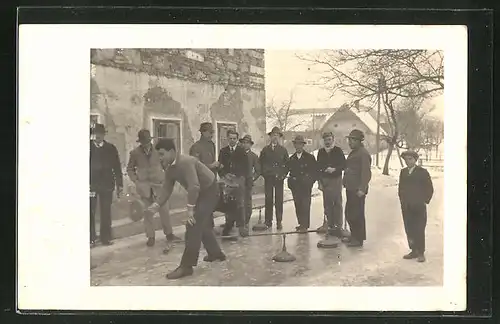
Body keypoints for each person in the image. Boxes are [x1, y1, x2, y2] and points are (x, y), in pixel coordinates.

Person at [148, 138, 226, 280]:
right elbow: (167, 188)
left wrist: (190, 210)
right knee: (202, 224)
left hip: (210, 190)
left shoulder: (185, 162)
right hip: (199, 192)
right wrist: (157, 204)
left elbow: (194, 186)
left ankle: (186, 266)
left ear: (172, 152)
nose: (159, 158)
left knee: (193, 225)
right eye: (158, 155)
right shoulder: (170, 167)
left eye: (161, 154)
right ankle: (215, 253)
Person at [127, 129, 181, 247]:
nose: (145, 144)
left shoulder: (158, 151)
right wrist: (136, 180)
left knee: (164, 211)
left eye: (147, 142)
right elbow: (130, 169)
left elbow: (166, 164)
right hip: (144, 187)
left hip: (159, 186)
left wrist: (166, 177)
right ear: (140, 142)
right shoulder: (135, 153)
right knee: (147, 213)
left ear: (150, 141)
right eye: (143, 142)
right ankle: (150, 237)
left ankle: (169, 234)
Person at [90, 123, 123, 247]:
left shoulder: (111, 148)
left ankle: (106, 238)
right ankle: (91, 238)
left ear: (104, 135)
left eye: (100, 134)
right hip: (91, 185)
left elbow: (117, 166)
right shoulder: (88, 148)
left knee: (106, 211)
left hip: (107, 185)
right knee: (90, 211)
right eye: (95, 134)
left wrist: (120, 184)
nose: (97, 137)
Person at [398, 150, 434, 263]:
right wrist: (402, 200)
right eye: (406, 159)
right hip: (406, 205)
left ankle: (421, 252)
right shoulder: (403, 172)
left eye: (410, 159)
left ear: (415, 160)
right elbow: (401, 188)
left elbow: (429, 188)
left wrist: (424, 200)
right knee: (409, 228)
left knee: (419, 228)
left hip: (418, 205)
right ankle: (413, 250)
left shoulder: (422, 172)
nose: (408, 162)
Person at [218, 129, 250, 238]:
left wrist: (239, 177)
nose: (232, 140)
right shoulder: (223, 151)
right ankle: (229, 227)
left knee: (240, 203)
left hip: (238, 180)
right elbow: (220, 166)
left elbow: (246, 167)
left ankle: (242, 226)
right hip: (227, 181)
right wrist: (225, 175)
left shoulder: (241, 151)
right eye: (230, 138)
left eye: (234, 139)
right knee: (228, 204)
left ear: (237, 139)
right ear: (227, 139)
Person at [342, 129, 372, 247]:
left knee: (357, 214)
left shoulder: (363, 153)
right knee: (350, 213)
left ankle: (358, 239)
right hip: (351, 187)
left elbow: (366, 173)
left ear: (359, 141)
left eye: (352, 140)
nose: (350, 142)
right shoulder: (354, 152)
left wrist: (362, 188)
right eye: (349, 140)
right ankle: (354, 235)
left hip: (357, 190)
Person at [189, 122, 220, 228]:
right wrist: (211, 165)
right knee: (201, 205)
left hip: (211, 179)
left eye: (213, 133)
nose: (212, 135)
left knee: (210, 204)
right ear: (203, 132)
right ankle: (200, 228)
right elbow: (194, 165)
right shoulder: (196, 147)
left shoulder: (211, 145)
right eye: (210, 133)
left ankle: (209, 227)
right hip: (201, 181)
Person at [316, 132, 347, 237]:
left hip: (336, 179)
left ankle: (338, 226)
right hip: (325, 180)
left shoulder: (338, 151)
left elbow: (344, 165)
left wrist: (334, 169)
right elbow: (318, 167)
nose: (327, 142)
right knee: (327, 203)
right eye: (325, 140)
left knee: (337, 202)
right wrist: (319, 182)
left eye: (329, 139)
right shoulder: (321, 152)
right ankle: (330, 225)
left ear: (333, 140)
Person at [259, 126, 290, 230]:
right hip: (268, 179)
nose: (275, 137)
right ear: (270, 137)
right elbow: (261, 163)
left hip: (279, 179)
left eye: (277, 135)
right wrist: (265, 174)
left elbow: (287, 165)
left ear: (279, 137)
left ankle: (279, 221)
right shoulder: (265, 150)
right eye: (273, 135)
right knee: (268, 199)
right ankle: (268, 221)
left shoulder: (283, 150)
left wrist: (283, 175)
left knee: (279, 200)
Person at [286, 135, 318, 233]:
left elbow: (314, 172)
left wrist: (309, 182)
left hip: (305, 186)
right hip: (295, 187)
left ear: (303, 145)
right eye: (296, 144)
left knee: (305, 205)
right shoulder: (291, 158)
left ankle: (305, 225)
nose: (298, 146)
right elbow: (288, 171)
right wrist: (290, 182)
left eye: (300, 144)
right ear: (294, 145)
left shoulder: (310, 157)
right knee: (298, 205)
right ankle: (301, 224)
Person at [239, 134, 261, 229]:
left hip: (248, 183)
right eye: (243, 143)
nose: (245, 145)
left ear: (250, 145)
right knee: (238, 202)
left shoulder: (253, 156)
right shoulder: (237, 154)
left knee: (247, 202)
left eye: (247, 143)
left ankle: (246, 221)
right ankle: (239, 221)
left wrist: (252, 178)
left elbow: (258, 170)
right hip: (238, 182)